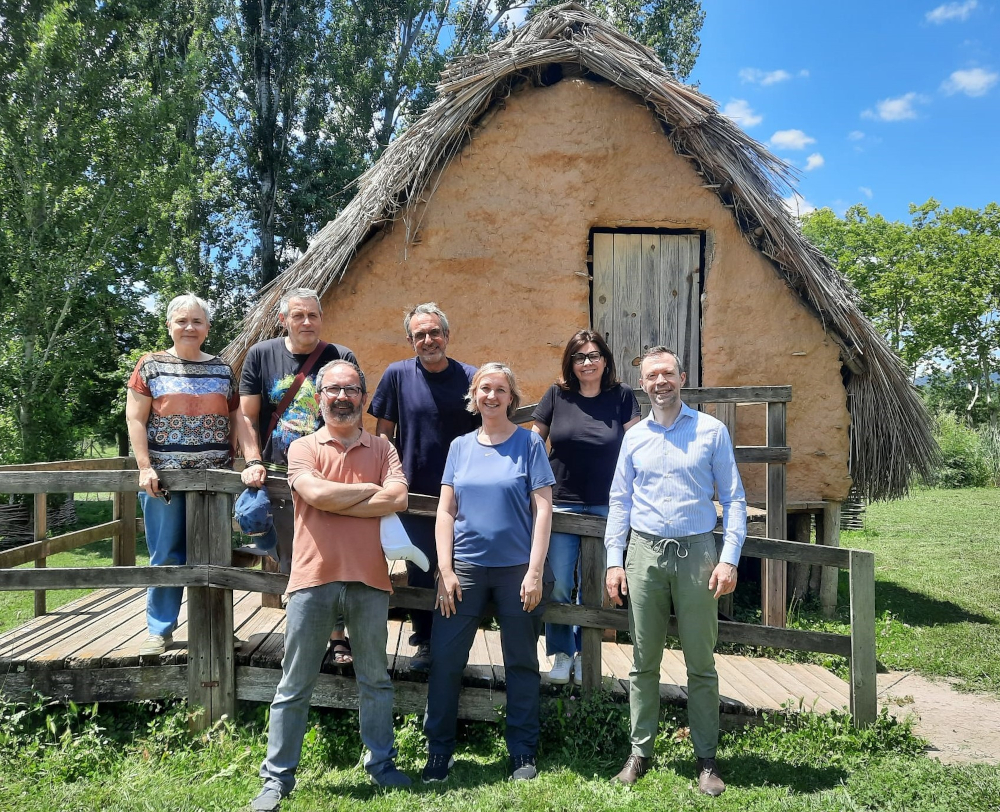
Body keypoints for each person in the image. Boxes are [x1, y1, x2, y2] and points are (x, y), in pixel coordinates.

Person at [252, 360, 411, 811]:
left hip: (370, 577)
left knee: (375, 680)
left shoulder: (383, 447)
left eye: (351, 390)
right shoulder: (302, 447)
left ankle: (381, 764)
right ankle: (277, 779)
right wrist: (368, 492)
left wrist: (338, 496)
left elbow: (397, 497)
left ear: (363, 396)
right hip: (312, 575)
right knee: (294, 682)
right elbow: (315, 495)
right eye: (333, 390)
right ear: (319, 398)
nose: (342, 397)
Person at [604, 347, 746, 796]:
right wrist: (613, 558)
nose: (660, 381)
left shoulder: (711, 431)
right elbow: (620, 501)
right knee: (643, 660)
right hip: (643, 554)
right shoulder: (634, 438)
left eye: (667, 373)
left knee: (700, 662)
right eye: (651, 376)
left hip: (698, 554)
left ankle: (706, 758)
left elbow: (735, 499)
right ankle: (640, 751)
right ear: (642, 384)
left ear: (682, 377)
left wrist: (729, 557)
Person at [422, 363, 554, 784]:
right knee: (445, 660)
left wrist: (535, 572)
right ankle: (439, 751)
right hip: (466, 571)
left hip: (518, 572)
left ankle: (522, 752)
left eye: (500, 389)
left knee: (521, 663)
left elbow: (544, 509)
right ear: (474, 396)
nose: (492, 396)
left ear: (511, 397)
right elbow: (445, 511)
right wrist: (445, 570)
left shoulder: (530, 445)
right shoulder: (459, 446)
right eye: (484, 389)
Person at [238, 287, 356, 662]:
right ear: (283, 320)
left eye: (313, 316)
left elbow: (353, 409)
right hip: (277, 474)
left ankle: (338, 635)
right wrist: (253, 459)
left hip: (329, 474)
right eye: (299, 315)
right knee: (291, 558)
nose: (307, 322)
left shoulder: (340, 357)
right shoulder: (262, 355)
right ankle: (303, 635)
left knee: (333, 556)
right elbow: (245, 415)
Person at [125, 293, 240, 657]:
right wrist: (145, 467)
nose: (189, 327)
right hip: (166, 481)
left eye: (197, 321)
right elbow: (135, 418)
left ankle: (217, 627)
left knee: (214, 555)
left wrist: (237, 461)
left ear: (207, 327)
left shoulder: (223, 369)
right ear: (169, 325)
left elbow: (235, 416)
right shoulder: (150, 366)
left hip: (214, 480)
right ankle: (160, 630)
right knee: (166, 555)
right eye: (182, 321)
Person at [367, 303, 477, 671]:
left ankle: (455, 645)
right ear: (410, 340)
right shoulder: (397, 375)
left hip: (465, 493)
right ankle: (426, 643)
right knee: (421, 568)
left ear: (447, 335)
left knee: (461, 568)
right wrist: (387, 476)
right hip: (415, 493)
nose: (428, 340)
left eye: (434, 332)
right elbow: (383, 432)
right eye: (420, 335)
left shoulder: (471, 377)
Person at [532, 330, 640, 684]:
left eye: (594, 355)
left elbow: (636, 446)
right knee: (561, 582)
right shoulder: (556, 395)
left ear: (605, 360)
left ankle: (584, 653)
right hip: (561, 501)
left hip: (609, 503)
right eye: (580, 357)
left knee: (593, 584)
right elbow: (535, 443)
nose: (587, 362)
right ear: (571, 363)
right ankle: (562, 654)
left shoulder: (622, 396)